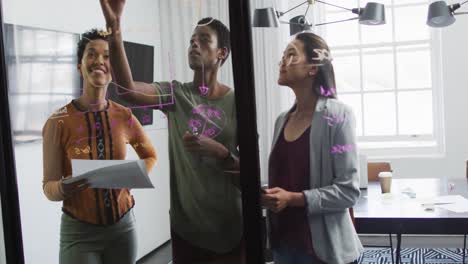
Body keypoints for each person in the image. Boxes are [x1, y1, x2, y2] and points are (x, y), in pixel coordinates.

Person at [99, 1, 243, 263]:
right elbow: (126, 90)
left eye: (203, 39)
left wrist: (222, 154)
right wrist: (115, 29)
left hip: (230, 230)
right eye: (191, 40)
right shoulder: (175, 94)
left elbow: (249, 176)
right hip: (186, 231)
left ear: (221, 52)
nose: (194, 45)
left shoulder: (238, 103)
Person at [42, 29, 157, 264]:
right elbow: (48, 187)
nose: (99, 61)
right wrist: (64, 188)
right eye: (91, 54)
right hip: (79, 233)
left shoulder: (124, 116)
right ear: (79, 65)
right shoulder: (58, 122)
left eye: (106, 57)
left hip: (123, 228)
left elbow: (150, 155)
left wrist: (131, 178)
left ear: (113, 70)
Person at [261, 32, 363, 264]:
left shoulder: (339, 116)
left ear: (313, 68)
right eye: (283, 56)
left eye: (291, 55)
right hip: (282, 245)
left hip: (322, 251)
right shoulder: (281, 120)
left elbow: (348, 191)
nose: (282, 62)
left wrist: (294, 198)